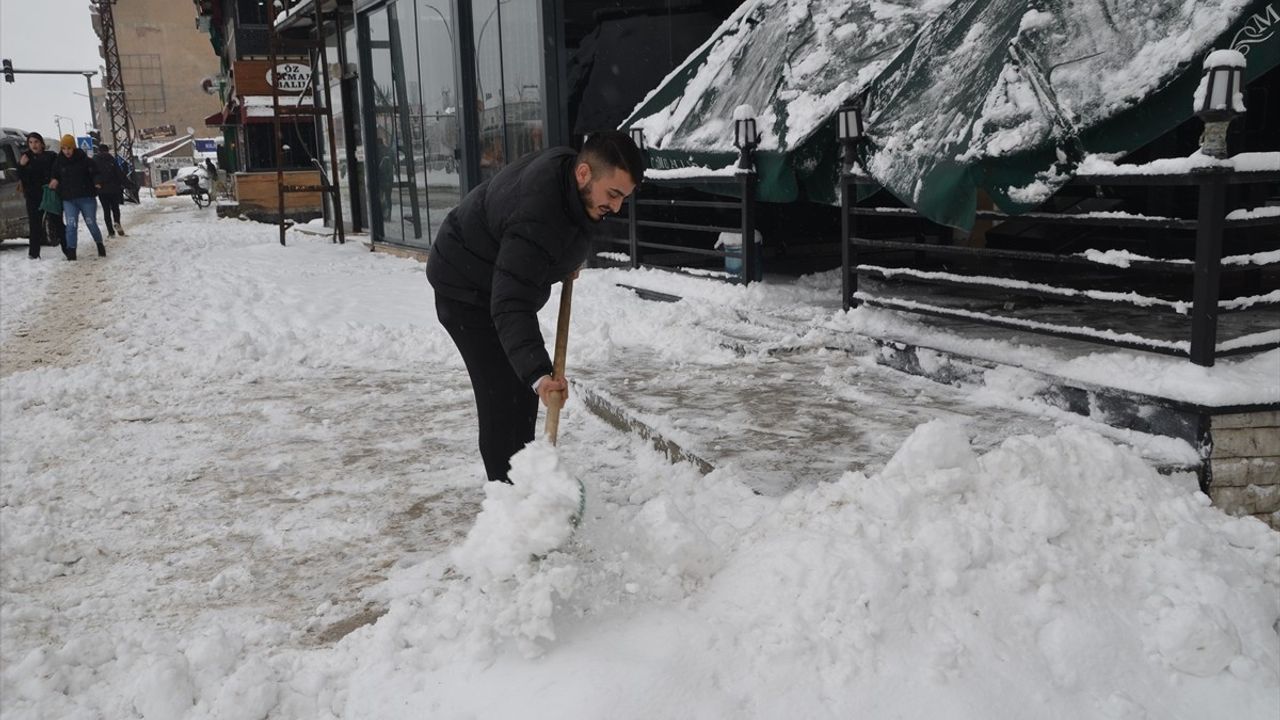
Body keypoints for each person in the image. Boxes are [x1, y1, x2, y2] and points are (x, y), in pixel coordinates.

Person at [426, 130, 645, 483]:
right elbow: (511, 301)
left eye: (624, 197)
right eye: (614, 194)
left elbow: (559, 234)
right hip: (464, 288)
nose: (617, 207)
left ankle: (524, 480)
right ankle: (508, 502)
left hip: (494, 279)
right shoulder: (538, 212)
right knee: (502, 395)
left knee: (522, 394)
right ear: (584, 173)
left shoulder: (570, 179)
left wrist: (562, 262)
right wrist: (539, 375)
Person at [49, 134, 104, 260]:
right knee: (71, 225)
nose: (67, 151)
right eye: (64, 148)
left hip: (87, 198)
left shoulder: (85, 160)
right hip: (69, 199)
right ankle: (71, 252)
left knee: (91, 223)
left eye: (69, 148)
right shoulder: (58, 162)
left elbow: (95, 173)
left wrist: (97, 181)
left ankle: (99, 244)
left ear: (73, 147)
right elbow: (55, 175)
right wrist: (54, 181)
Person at [14, 132, 58, 259]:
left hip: (50, 194)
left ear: (42, 143)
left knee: (57, 221)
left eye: (36, 142)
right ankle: (33, 254)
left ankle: (68, 249)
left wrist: (55, 181)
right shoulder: (25, 158)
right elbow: (20, 177)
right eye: (31, 142)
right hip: (33, 197)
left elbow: (57, 171)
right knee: (35, 226)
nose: (34, 145)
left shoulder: (50, 156)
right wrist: (21, 166)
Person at [92, 144, 128, 237]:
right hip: (114, 189)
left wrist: (96, 184)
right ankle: (117, 222)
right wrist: (128, 184)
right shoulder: (112, 160)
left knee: (106, 210)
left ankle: (111, 232)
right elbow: (119, 174)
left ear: (99, 151)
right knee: (115, 208)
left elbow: (92, 174)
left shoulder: (95, 160)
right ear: (107, 151)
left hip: (102, 190)